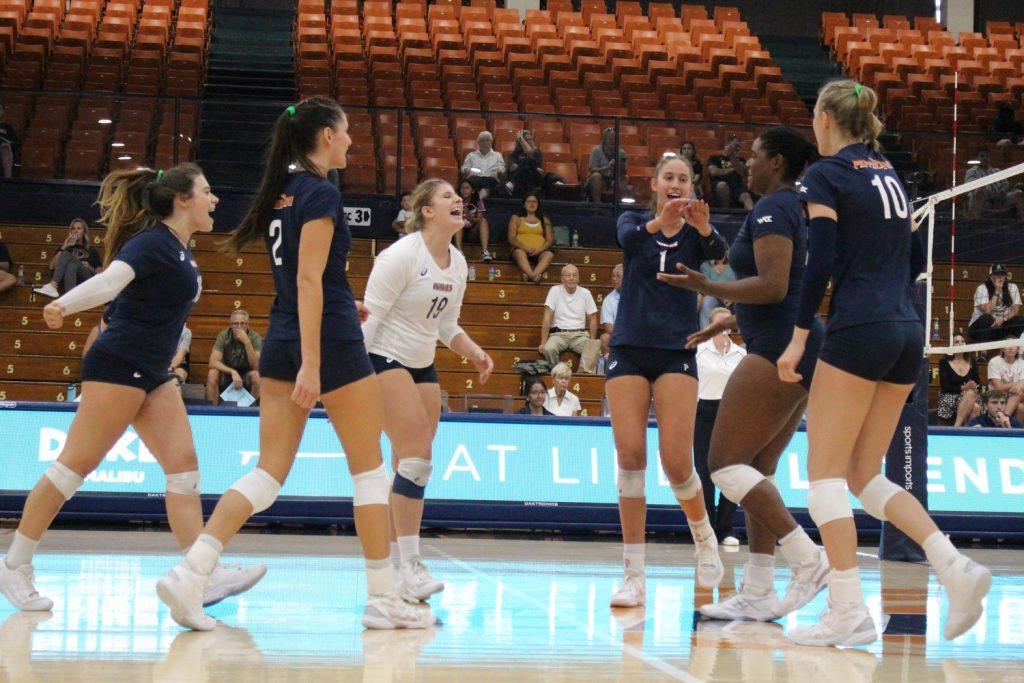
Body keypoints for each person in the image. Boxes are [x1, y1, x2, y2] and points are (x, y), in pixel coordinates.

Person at [156, 98, 435, 631]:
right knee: (371, 472)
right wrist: (314, 361)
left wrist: (335, 300)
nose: (352, 140)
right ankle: (382, 598)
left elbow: (307, 278)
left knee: (267, 474)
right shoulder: (322, 192)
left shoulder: (282, 193)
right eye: (347, 131)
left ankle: (192, 572)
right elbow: (309, 279)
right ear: (326, 137)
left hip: (285, 331)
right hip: (324, 343)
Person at [777, 80, 990, 647]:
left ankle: (847, 612)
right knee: (862, 474)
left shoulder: (827, 174)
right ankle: (954, 566)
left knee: (822, 476)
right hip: (905, 330)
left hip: (860, 326)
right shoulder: (889, 172)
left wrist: (799, 336)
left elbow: (819, 255)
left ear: (824, 118)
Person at [0, 163, 266, 613]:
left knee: (184, 470)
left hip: (153, 372)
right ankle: (15, 565)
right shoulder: (151, 243)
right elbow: (109, 282)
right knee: (71, 470)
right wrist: (63, 305)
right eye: (207, 191)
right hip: (119, 364)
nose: (215, 199)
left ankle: (199, 574)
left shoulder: (181, 250)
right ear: (183, 200)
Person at [658, 125, 828, 624]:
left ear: (776, 162)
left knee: (724, 463)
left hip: (780, 346)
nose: (745, 164)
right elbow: (789, 285)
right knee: (757, 469)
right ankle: (757, 588)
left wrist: (706, 284)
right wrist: (732, 318)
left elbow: (774, 286)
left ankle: (805, 557)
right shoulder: (795, 208)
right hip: (792, 338)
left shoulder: (774, 207)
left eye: (753, 156)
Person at [361, 178, 494, 604]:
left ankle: (398, 567)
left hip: (422, 364)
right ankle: (411, 566)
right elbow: (368, 320)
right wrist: (350, 380)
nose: (459, 200)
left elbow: (446, 325)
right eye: (447, 196)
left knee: (410, 464)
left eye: (459, 196)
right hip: (383, 357)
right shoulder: (400, 256)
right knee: (417, 457)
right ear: (426, 212)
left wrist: (472, 351)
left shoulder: (457, 263)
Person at [606, 153, 728, 608]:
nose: (676, 184)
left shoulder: (697, 232)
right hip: (629, 348)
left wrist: (703, 228)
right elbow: (633, 243)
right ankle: (634, 575)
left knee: (677, 463)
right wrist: (662, 219)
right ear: (655, 184)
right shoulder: (634, 220)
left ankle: (704, 539)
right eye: (669, 178)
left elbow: (720, 257)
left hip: (678, 350)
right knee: (630, 456)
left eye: (684, 179)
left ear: (692, 187)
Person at [693, 307, 746, 547]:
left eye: (727, 322)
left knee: (731, 472)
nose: (724, 326)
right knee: (704, 473)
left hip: (732, 413)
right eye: (719, 322)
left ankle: (726, 528)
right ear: (710, 324)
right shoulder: (699, 351)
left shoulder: (740, 354)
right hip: (704, 412)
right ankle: (706, 528)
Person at [539, 264, 598, 369]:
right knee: (548, 349)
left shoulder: (585, 293)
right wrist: (543, 342)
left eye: (574, 275)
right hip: (559, 334)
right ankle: (557, 373)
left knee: (593, 350)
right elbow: (547, 316)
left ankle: (582, 377)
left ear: (579, 278)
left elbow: (593, 318)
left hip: (580, 335)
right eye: (568, 275)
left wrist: (592, 342)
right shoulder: (554, 291)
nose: (571, 278)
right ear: (562, 279)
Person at [33, 219, 102, 298]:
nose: (75, 231)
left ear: (84, 232)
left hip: (85, 278)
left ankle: (53, 285)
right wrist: (64, 246)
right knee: (72, 265)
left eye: (79, 228)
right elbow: (51, 266)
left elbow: (100, 272)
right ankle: (70, 297)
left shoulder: (91, 250)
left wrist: (89, 267)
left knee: (67, 255)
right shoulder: (65, 248)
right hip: (68, 278)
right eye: (73, 228)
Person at [206, 310, 262, 404]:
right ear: (231, 325)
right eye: (236, 324)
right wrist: (232, 371)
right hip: (227, 374)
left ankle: (252, 414)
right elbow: (212, 362)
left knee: (257, 376)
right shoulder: (224, 336)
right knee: (212, 373)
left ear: (247, 325)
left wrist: (247, 342)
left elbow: (256, 366)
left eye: (242, 324)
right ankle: (211, 412)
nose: (239, 327)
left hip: (246, 375)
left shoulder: (255, 337)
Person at [967, 263, 1024, 342]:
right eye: (997, 274)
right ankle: (983, 353)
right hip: (979, 329)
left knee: (1020, 320)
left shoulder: (1012, 287)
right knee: (986, 318)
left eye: (1002, 274)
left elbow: (1015, 310)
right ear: (990, 277)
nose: (1000, 277)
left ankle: (1016, 351)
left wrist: (1003, 319)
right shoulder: (982, 288)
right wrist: (997, 291)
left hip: (1000, 326)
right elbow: (987, 311)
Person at [508, 194, 555, 283]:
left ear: (538, 204)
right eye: (529, 201)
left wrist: (539, 250)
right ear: (524, 204)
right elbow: (511, 238)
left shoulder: (544, 220)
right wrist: (525, 248)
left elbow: (550, 240)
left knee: (549, 254)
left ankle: (530, 276)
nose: (532, 204)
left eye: (535, 202)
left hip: (539, 252)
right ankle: (533, 276)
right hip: (521, 251)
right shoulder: (516, 218)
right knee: (519, 252)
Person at [964, 149, 1024, 219]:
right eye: (982, 156)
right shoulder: (972, 171)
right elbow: (971, 186)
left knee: (1018, 194)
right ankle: (974, 221)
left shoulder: (997, 170)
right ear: (977, 158)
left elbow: (1005, 184)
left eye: (987, 156)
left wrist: (1001, 192)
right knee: (980, 191)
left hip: (1000, 197)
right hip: (984, 197)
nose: (985, 158)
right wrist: (989, 193)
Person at [936, 334, 981, 427]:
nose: (960, 344)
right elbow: (945, 386)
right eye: (956, 342)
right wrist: (964, 387)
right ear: (951, 346)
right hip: (950, 396)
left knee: (973, 400)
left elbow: (978, 384)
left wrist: (973, 386)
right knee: (974, 406)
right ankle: (961, 430)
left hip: (969, 395)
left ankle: (958, 428)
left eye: (962, 341)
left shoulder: (972, 361)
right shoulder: (944, 362)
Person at [507, 130, 563, 197]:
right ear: (520, 142)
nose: (529, 142)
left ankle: (512, 183)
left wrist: (532, 167)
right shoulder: (514, 154)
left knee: (550, 175)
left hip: (534, 178)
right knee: (527, 164)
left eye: (531, 139)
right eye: (526, 140)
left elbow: (531, 157)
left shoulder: (537, 152)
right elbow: (513, 168)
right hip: (521, 179)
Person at [708, 134, 754, 210]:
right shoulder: (714, 158)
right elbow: (713, 172)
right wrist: (732, 169)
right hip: (719, 185)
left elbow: (741, 171)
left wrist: (731, 156)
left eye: (739, 146)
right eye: (735, 145)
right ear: (727, 145)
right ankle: (726, 214)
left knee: (747, 197)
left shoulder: (741, 159)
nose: (738, 148)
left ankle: (752, 219)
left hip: (736, 186)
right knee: (722, 186)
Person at [585, 128, 628, 203]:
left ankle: (620, 205)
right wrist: (607, 168)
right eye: (610, 139)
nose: (613, 141)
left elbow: (624, 172)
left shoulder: (621, 153)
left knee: (625, 178)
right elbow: (592, 170)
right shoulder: (596, 151)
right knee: (596, 176)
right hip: (600, 179)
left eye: (615, 139)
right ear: (604, 139)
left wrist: (620, 166)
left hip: (614, 180)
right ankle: (598, 205)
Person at [454, 179, 492, 262]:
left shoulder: (478, 200)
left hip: (472, 231)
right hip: (458, 231)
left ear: (473, 190)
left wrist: (470, 218)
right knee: (458, 222)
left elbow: (479, 218)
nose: (464, 190)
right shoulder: (455, 201)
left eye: (467, 188)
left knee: (484, 221)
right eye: (462, 188)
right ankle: (459, 251)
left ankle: (485, 252)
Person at [460, 131, 505, 199]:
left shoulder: (497, 155)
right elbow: (464, 168)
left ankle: (479, 198)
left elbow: (502, 168)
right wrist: (469, 171)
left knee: (492, 181)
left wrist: (497, 172)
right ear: (478, 142)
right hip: (476, 178)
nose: (485, 143)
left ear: (491, 142)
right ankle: (481, 196)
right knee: (472, 180)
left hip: (490, 178)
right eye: (482, 141)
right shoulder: (471, 155)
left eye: (488, 140)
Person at [987, 343, 1024, 422]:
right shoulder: (994, 361)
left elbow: (1022, 385)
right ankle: (1005, 422)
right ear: (1002, 349)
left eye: (1014, 345)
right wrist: (1016, 384)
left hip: (1016, 395)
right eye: (1007, 345)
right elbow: (999, 387)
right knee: (1020, 407)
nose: (1010, 348)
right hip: (997, 395)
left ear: (1018, 349)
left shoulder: (1022, 363)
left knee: (1019, 392)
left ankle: (1003, 418)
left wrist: (1018, 386)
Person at [698, 257, 737, 330]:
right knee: (706, 301)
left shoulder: (733, 266)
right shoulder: (705, 266)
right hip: (713, 297)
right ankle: (706, 335)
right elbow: (705, 288)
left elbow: (739, 285)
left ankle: (742, 334)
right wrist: (721, 295)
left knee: (741, 301)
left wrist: (732, 297)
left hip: (732, 297)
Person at [600, 263, 623, 359]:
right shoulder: (608, 300)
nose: (614, 279)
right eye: (613, 276)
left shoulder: (638, 296)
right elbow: (608, 327)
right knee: (605, 338)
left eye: (618, 276)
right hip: (618, 334)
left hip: (636, 334)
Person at [0, 104, 16, 178]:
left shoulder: (7, 127)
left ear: (2, 112)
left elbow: (13, 143)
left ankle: (7, 180)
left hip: (2, 148)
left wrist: (6, 142)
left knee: (5, 148)